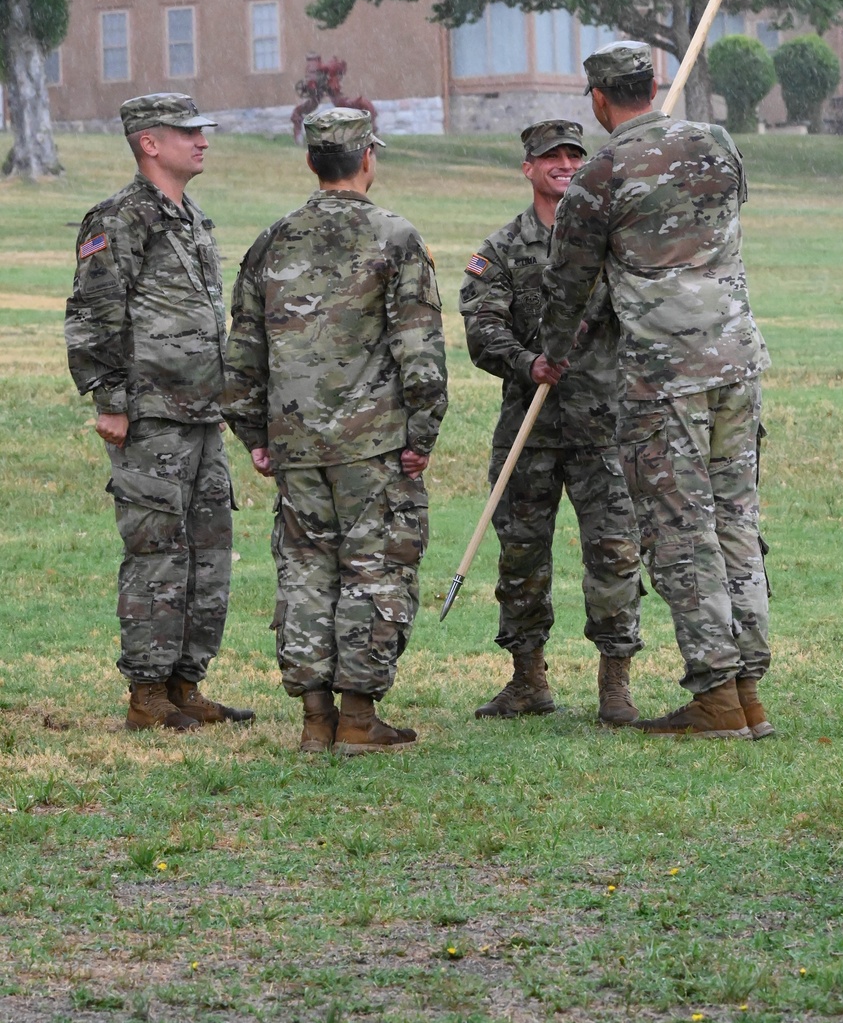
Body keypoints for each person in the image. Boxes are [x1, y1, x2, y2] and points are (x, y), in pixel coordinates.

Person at [539, 43, 774, 740]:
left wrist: (554, 355)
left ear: (599, 100)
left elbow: (568, 281)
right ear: (655, 84)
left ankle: (716, 692)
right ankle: (749, 683)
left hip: (662, 374)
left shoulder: (601, 175)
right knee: (735, 519)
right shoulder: (717, 143)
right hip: (736, 360)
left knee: (681, 529)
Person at [223, 107, 448, 755]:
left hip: (296, 445)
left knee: (305, 572)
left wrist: (254, 433)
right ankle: (357, 715)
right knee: (376, 567)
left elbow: (241, 355)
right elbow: (420, 353)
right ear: (368, 157)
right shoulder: (395, 237)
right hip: (372, 444)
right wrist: (422, 432)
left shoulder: (272, 240)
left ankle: (314, 719)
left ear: (311, 161)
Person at [65, 93, 253, 733]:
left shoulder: (192, 219)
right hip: (149, 417)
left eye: (203, 131)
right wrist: (111, 401)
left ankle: (186, 683)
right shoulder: (118, 218)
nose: (202, 141)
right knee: (156, 552)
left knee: (208, 550)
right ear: (150, 142)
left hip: (202, 414)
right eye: (188, 133)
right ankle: (147, 693)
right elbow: (95, 315)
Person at [459, 119, 643, 725]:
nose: (563, 165)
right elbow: (481, 329)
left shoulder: (611, 245)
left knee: (614, 554)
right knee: (521, 558)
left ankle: (615, 684)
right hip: (528, 434)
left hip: (602, 429)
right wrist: (526, 363)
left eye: (573, 156)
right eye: (550, 158)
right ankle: (527, 680)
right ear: (529, 169)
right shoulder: (503, 248)